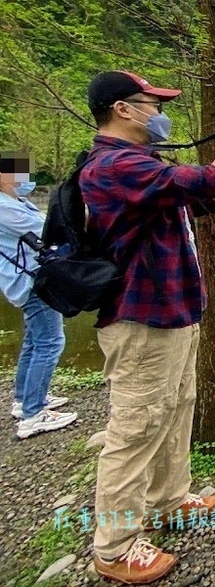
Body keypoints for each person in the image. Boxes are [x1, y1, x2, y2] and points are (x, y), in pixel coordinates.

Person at [79, 70, 215, 585]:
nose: (160, 114)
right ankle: (114, 546)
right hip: (141, 317)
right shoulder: (114, 166)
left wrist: (203, 177)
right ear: (122, 110)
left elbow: (205, 196)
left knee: (176, 406)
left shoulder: (143, 163)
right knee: (135, 427)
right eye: (151, 104)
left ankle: (170, 499)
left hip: (172, 311)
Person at [0, 151, 77, 439]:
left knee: (34, 342)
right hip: (34, 282)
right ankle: (34, 414)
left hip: (27, 281)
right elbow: (47, 230)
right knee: (50, 342)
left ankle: (24, 400)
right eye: (19, 173)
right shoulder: (5, 208)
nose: (26, 179)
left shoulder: (13, 202)